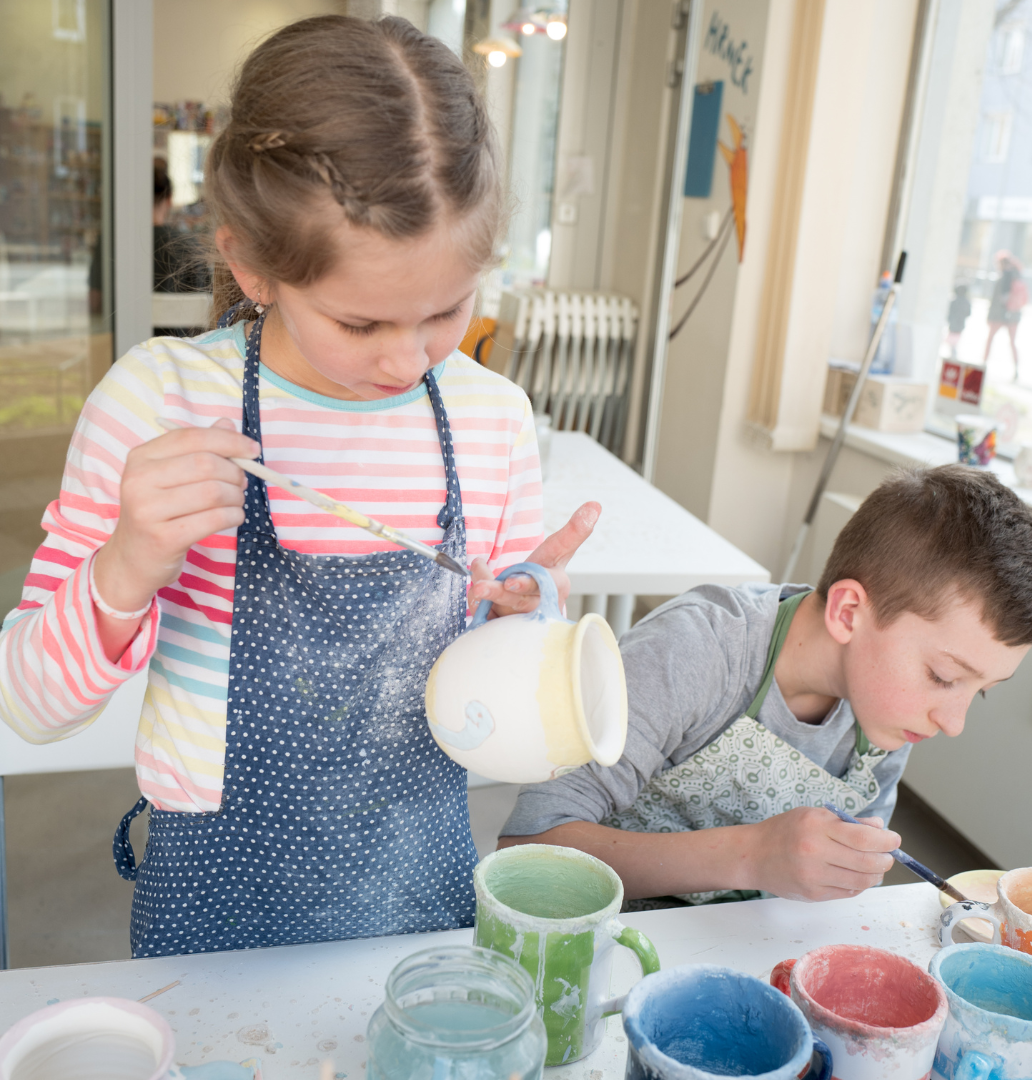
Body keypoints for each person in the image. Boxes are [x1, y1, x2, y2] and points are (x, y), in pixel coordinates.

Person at [0, 15, 598, 957]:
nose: (408, 360)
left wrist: (532, 622)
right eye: (361, 324)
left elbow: (492, 684)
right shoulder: (160, 405)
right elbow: (30, 705)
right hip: (213, 903)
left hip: (417, 895)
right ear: (251, 264)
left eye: (446, 310)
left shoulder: (491, 421)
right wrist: (127, 564)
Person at [499, 466, 1032, 907]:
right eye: (943, 677)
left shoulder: (887, 721)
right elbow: (526, 848)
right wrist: (750, 855)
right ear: (848, 611)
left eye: (981, 689)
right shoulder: (700, 650)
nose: (954, 721)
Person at [152, 157, 211, 336]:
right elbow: (208, 311)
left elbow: (95, 301)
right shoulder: (189, 246)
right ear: (169, 199)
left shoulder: (113, 245)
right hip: (179, 352)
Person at [983, 250, 1027, 380]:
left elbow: (997, 299)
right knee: (1012, 342)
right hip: (1013, 315)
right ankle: (1016, 369)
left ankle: (983, 364)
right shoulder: (1017, 276)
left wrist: (989, 317)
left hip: (1000, 315)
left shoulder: (1004, 277)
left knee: (990, 339)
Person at [945, 283, 971, 359]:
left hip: (953, 324)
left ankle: (953, 350)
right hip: (960, 325)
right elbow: (968, 313)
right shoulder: (966, 302)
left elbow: (949, 313)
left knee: (952, 340)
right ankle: (953, 350)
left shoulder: (954, 301)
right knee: (955, 340)